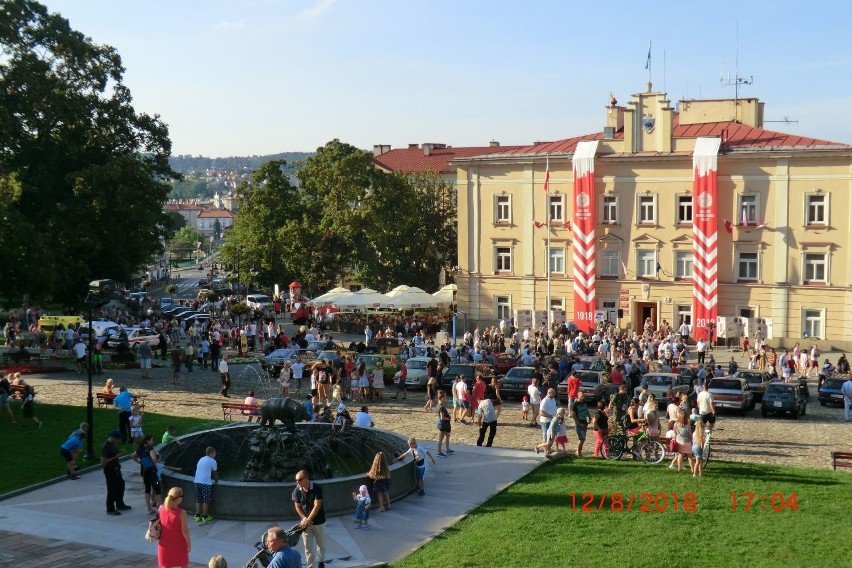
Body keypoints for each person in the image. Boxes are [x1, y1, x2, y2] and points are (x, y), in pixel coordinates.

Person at [292, 469, 327, 568]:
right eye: (296, 480)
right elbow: (297, 506)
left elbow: (317, 505)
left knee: (321, 544)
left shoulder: (317, 488)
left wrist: (309, 519)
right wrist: (304, 518)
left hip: (319, 521)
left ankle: (321, 562)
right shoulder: (296, 491)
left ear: (306, 478)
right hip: (305, 524)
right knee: (308, 547)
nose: (297, 482)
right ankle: (310, 565)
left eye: (299, 480)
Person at [158, 487, 191, 568]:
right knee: (184, 564)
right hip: (179, 544)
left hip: (164, 544)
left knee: (166, 565)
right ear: (178, 499)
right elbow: (185, 531)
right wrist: (189, 544)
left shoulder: (161, 508)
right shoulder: (181, 513)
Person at [101, 429, 131, 515]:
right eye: (117, 438)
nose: (118, 440)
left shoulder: (113, 444)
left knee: (121, 485)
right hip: (109, 470)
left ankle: (120, 504)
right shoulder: (105, 447)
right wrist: (116, 456)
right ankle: (110, 508)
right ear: (113, 437)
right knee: (112, 489)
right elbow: (103, 461)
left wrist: (119, 452)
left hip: (116, 469)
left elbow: (114, 453)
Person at [133, 434, 160, 512]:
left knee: (147, 488)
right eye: (152, 440)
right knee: (157, 488)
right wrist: (155, 466)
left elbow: (132, 456)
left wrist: (140, 462)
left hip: (144, 471)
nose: (153, 441)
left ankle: (149, 508)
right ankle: (161, 507)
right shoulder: (150, 449)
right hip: (152, 470)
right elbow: (154, 459)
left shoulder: (140, 448)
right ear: (147, 441)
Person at [194, 446, 218, 522]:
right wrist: (216, 480)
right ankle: (204, 516)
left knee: (198, 499)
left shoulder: (201, 459)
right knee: (206, 500)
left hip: (197, 481)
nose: (215, 454)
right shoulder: (213, 461)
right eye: (214, 453)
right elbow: (215, 472)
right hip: (206, 483)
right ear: (211, 453)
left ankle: (197, 516)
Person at [571, 391, 589, 457]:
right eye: (582, 396)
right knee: (581, 438)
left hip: (584, 422)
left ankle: (578, 451)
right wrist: (578, 423)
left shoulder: (584, 402)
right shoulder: (575, 404)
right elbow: (573, 415)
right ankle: (578, 452)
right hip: (579, 423)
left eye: (583, 395)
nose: (583, 397)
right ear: (578, 396)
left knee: (583, 439)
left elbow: (586, 410)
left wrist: (589, 417)